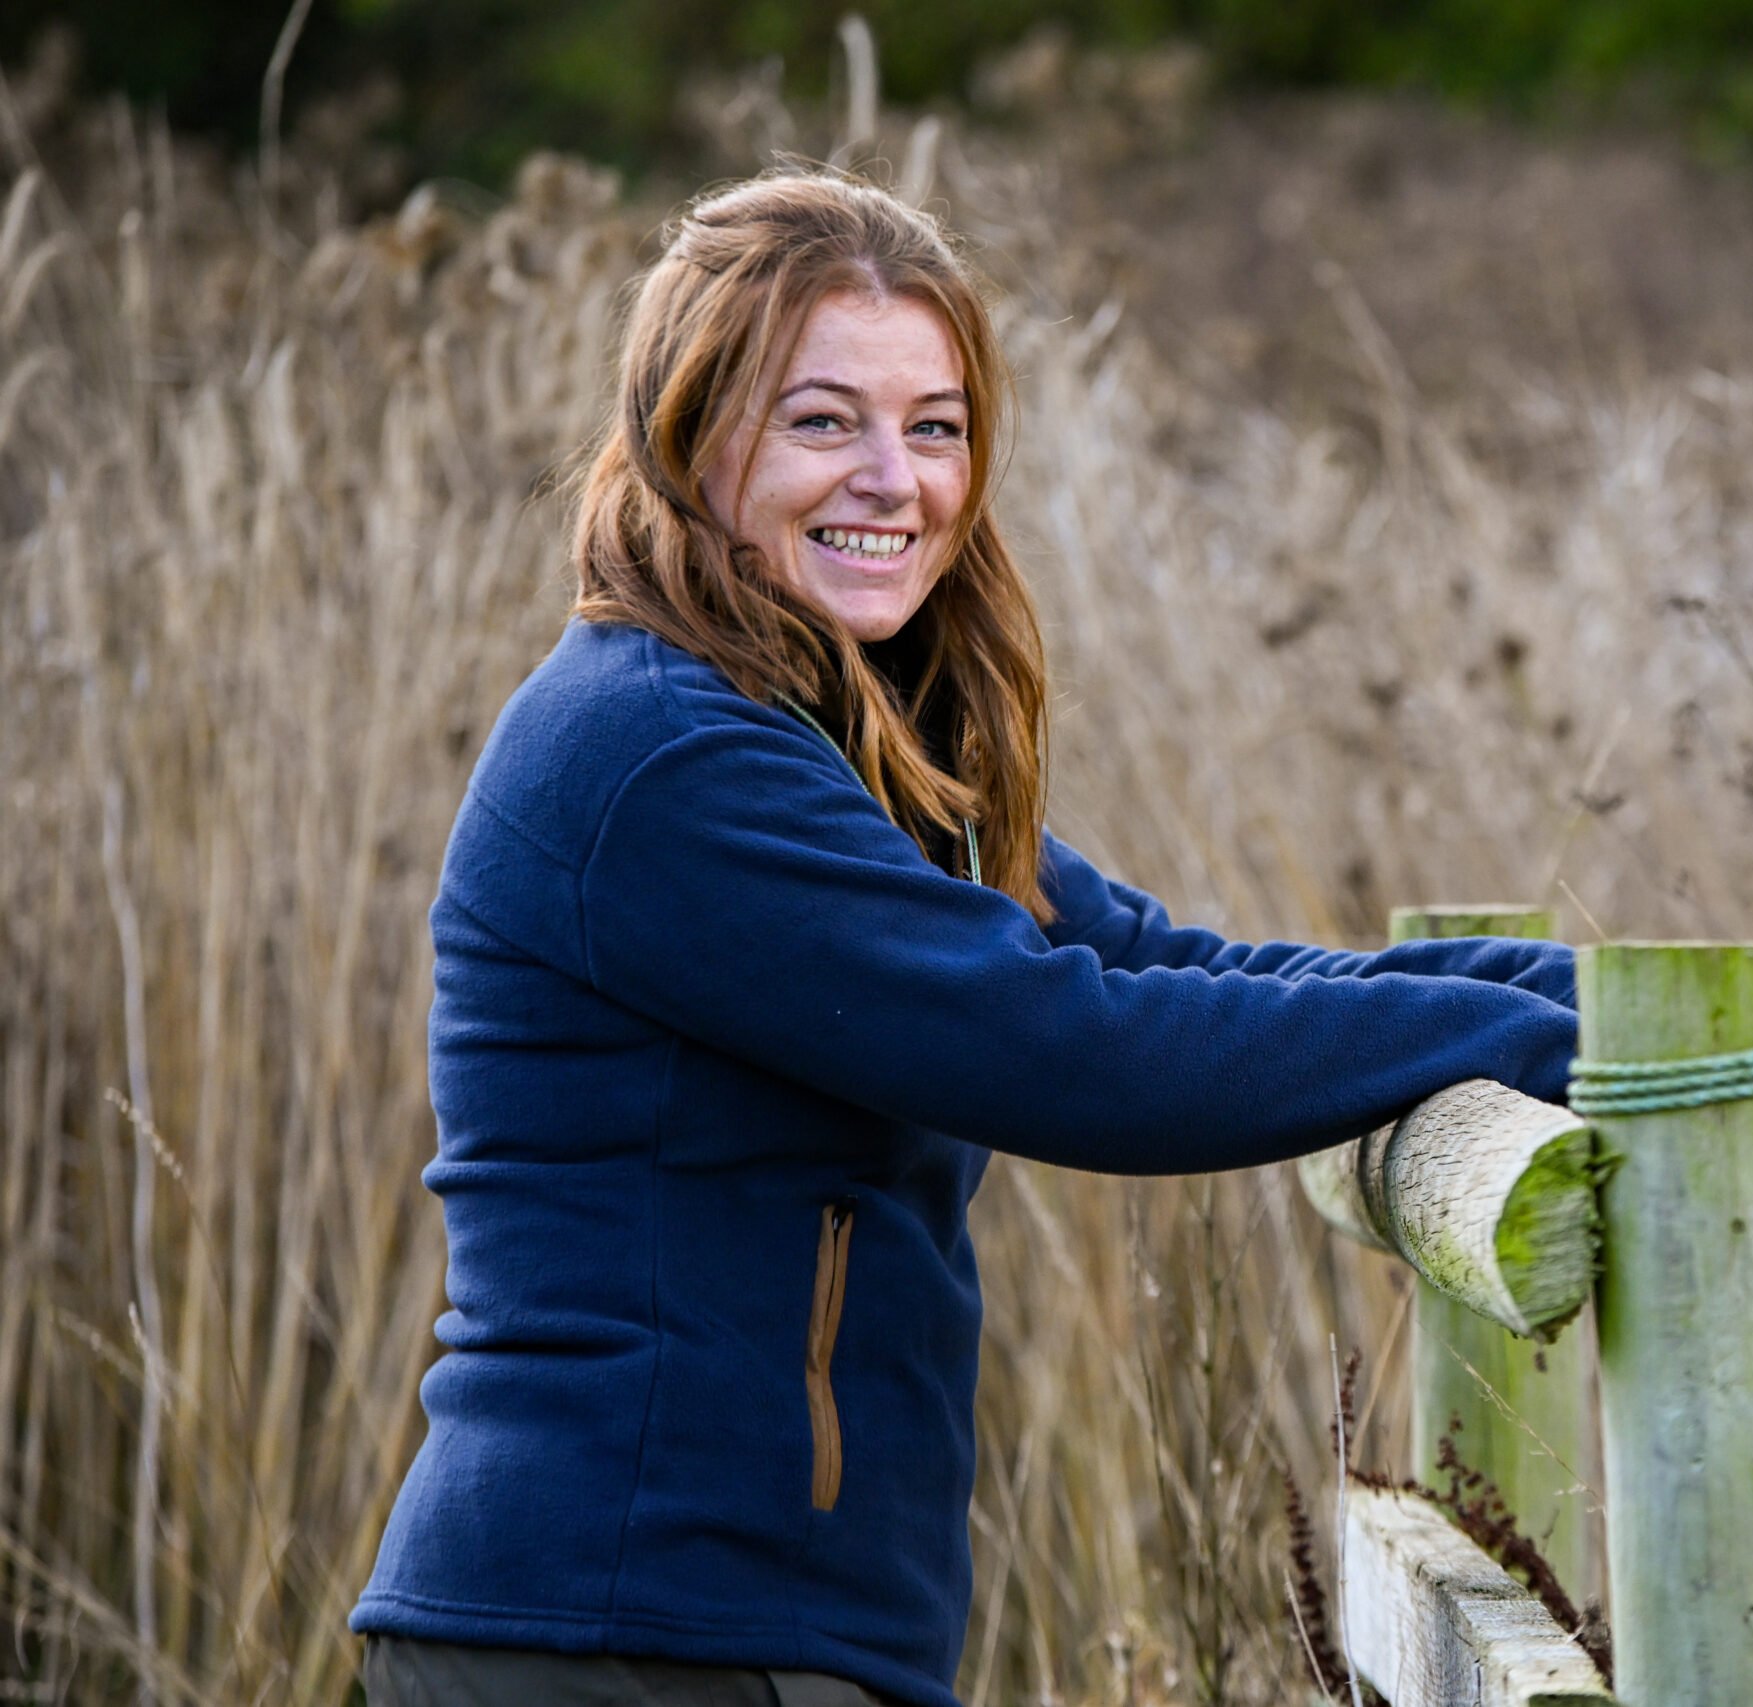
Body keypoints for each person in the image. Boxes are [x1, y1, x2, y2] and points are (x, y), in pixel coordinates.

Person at [349, 166, 1579, 1707]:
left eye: (934, 427)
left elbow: (1151, 966)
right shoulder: (662, 758)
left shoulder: (826, 744)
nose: (895, 478)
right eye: (822, 422)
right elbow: (1074, 1050)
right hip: (622, 1634)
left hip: (731, 1636)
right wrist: (1547, 1033)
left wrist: (1591, 1007)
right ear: (688, 435)